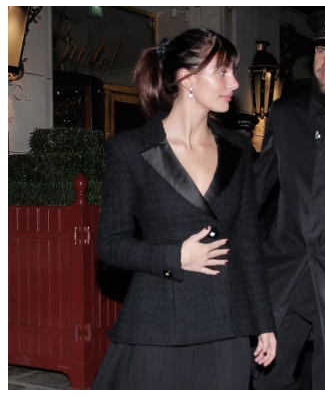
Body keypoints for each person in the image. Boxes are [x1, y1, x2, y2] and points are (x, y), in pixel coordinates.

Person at [93, 28, 276, 390]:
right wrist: (174, 257)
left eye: (232, 72)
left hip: (227, 324)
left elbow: (248, 243)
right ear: (187, 79)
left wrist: (264, 321)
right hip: (159, 324)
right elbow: (110, 244)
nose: (234, 83)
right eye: (222, 72)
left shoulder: (238, 148)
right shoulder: (131, 149)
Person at [253, 10, 325, 390]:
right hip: (285, 269)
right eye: (322, 51)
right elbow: (257, 186)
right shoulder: (285, 115)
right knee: (266, 377)